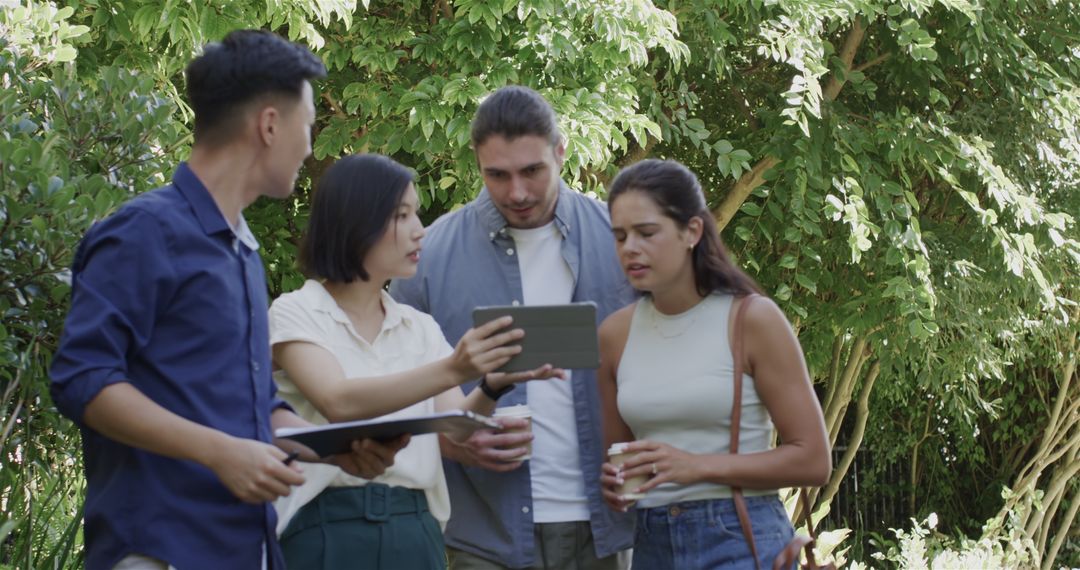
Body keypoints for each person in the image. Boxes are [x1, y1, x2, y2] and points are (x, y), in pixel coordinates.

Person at [49, 30, 404, 570]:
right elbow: (82, 379)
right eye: (307, 126)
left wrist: (335, 448)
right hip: (159, 549)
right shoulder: (143, 233)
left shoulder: (240, 248)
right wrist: (218, 452)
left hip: (243, 548)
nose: (310, 146)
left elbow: (256, 408)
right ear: (269, 125)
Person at [269, 153, 564, 569]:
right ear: (358, 222)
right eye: (402, 216)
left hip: (415, 529)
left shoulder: (418, 326)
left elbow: (458, 425)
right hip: (323, 527)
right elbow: (338, 400)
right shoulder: (295, 311)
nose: (419, 232)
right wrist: (455, 368)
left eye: (416, 215)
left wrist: (492, 385)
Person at [390, 85, 637, 569]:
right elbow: (394, 401)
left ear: (561, 152)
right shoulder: (428, 257)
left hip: (605, 526)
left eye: (532, 171)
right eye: (497, 175)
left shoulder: (622, 242)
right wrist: (452, 442)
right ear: (476, 164)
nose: (517, 192)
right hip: (483, 532)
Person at [595, 158, 832, 569]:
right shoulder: (613, 336)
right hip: (653, 545)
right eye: (619, 236)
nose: (630, 247)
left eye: (646, 232)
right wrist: (615, 485)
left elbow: (813, 459)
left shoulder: (752, 319)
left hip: (739, 536)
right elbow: (620, 459)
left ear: (692, 231)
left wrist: (695, 466)